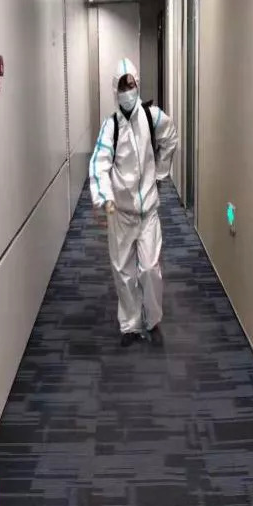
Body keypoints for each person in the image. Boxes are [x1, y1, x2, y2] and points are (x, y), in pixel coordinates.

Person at [89, 58, 179, 347]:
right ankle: (130, 325)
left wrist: (160, 173)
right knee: (123, 272)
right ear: (114, 90)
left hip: (148, 211)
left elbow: (171, 138)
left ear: (137, 84)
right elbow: (99, 163)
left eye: (131, 84)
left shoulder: (152, 117)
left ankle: (153, 320)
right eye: (122, 86)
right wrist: (106, 198)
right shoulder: (111, 127)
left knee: (150, 269)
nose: (127, 90)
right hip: (121, 213)